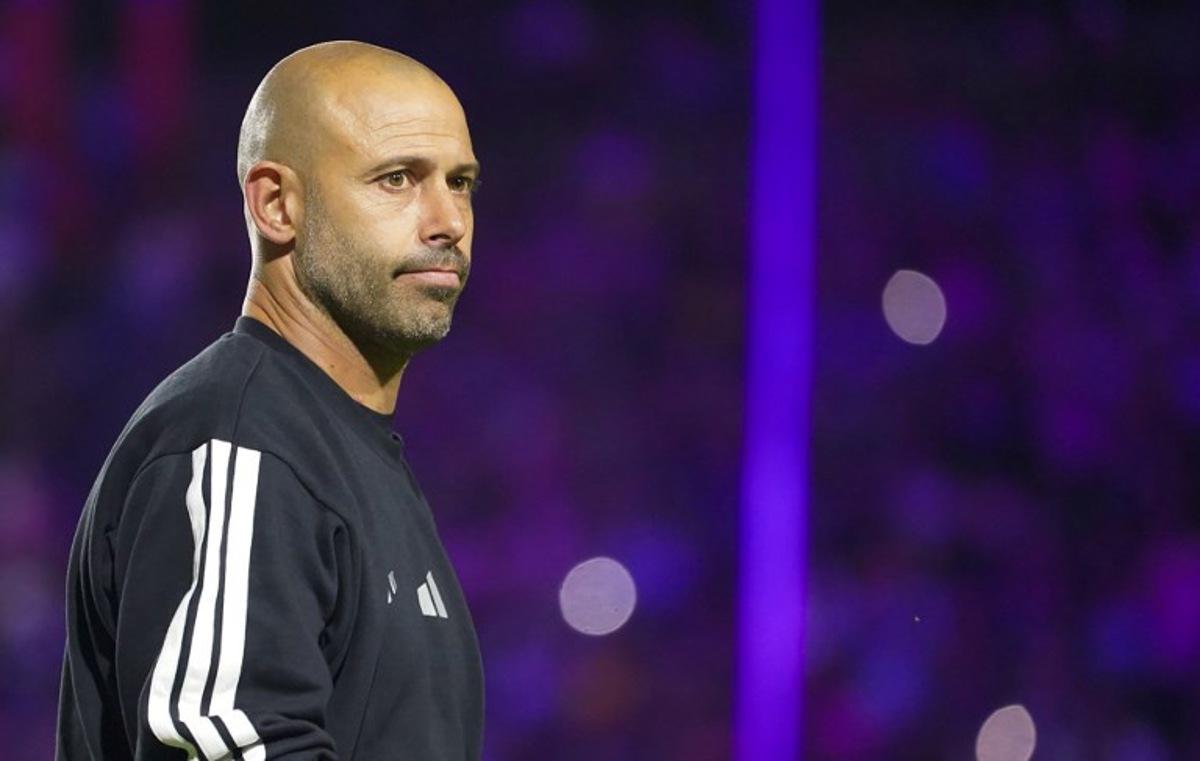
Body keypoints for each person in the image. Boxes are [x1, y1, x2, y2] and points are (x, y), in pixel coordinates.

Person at [56, 40, 484, 760]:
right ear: (276, 204)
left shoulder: (339, 449)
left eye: (461, 181)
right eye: (397, 178)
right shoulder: (240, 438)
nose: (448, 221)